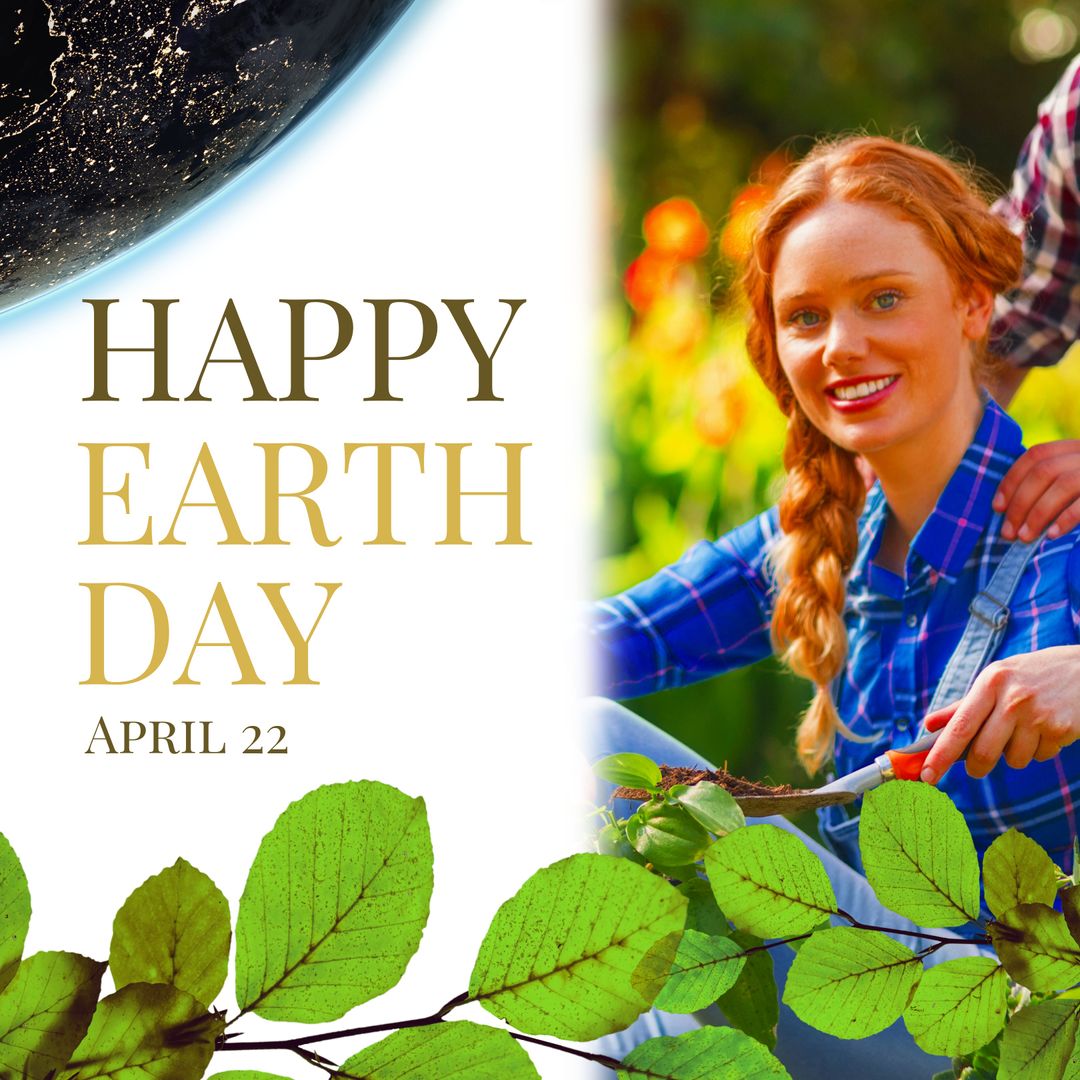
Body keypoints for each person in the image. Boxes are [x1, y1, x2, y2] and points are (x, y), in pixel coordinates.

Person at [588, 135, 1080, 1073]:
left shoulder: (1064, 532)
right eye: (806, 317)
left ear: (975, 304)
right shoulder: (822, 545)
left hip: (1020, 1038)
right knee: (611, 1025)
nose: (843, 346)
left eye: (884, 299)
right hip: (870, 1013)